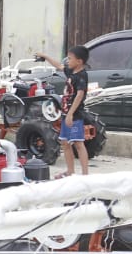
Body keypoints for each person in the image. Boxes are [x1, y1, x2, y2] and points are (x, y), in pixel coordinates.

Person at [38, 45, 92, 177]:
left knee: (78, 143)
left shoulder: (82, 76)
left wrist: (71, 114)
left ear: (79, 61)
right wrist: (45, 56)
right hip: (66, 114)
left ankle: (85, 175)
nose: (67, 61)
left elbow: (79, 95)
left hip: (74, 115)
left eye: (70, 58)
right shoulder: (71, 72)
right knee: (65, 143)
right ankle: (70, 171)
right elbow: (59, 66)